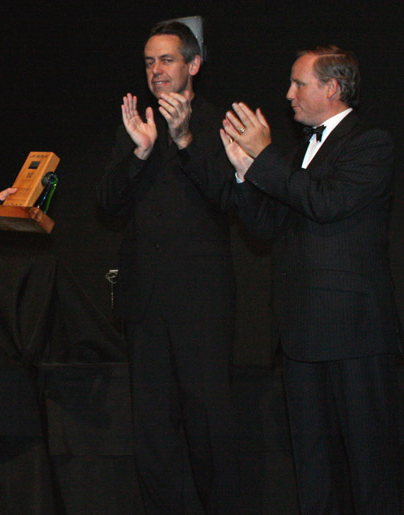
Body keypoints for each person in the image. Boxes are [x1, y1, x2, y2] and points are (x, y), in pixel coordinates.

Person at [221, 45, 400, 513]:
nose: (289, 94)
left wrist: (265, 156)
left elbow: (325, 203)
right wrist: (245, 173)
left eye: (299, 84)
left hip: (353, 332)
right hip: (300, 333)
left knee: (369, 465)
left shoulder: (371, 143)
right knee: (313, 465)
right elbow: (265, 228)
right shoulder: (301, 152)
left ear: (332, 88)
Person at [96, 21, 242, 513]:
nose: (155, 71)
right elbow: (107, 204)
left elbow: (230, 199)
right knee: (154, 434)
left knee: (209, 429)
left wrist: (184, 140)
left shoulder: (221, 121)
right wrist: (138, 154)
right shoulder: (137, 123)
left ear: (193, 64)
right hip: (145, 304)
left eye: (166, 60)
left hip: (202, 305)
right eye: (148, 62)